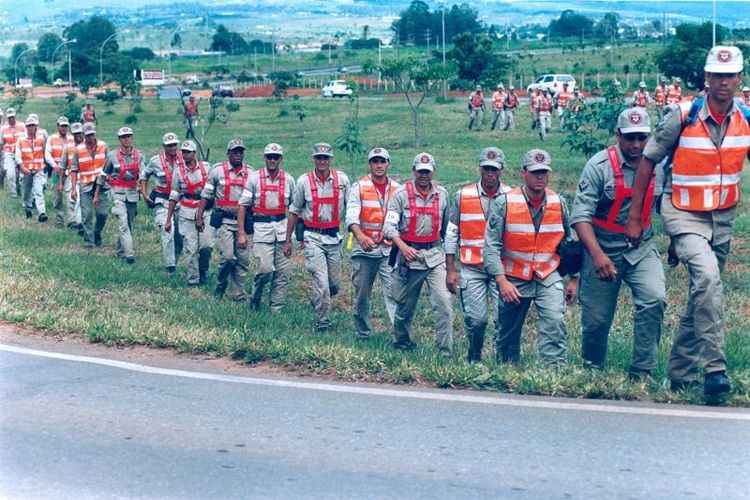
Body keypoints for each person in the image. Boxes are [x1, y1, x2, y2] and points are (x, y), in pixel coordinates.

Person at [625, 46, 750, 398]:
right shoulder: (681, 115)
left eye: (730, 75)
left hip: (723, 218)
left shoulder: (746, 118)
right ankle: (714, 371)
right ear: (705, 78)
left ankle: (679, 373)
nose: (723, 82)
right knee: (708, 279)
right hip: (683, 213)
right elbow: (648, 162)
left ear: (740, 79)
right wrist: (636, 217)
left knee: (702, 295)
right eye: (716, 75)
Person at [572, 108, 666, 379]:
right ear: (618, 136)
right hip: (602, 247)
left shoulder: (658, 165)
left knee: (654, 299)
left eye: (642, 137)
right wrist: (598, 256)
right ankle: (592, 371)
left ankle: (642, 372)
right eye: (629, 138)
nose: (636, 145)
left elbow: (670, 201)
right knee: (596, 321)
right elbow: (580, 217)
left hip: (641, 247)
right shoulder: (598, 166)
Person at [483, 149, 576, 366]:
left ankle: (553, 371)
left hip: (547, 273)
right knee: (508, 331)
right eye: (535, 172)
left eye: (544, 172)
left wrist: (574, 277)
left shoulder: (558, 202)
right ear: (524, 173)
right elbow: (491, 245)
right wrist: (501, 281)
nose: (540, 177)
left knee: (554, 320)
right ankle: (506, 368)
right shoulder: (504, 203)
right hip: (513, 276)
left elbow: (571, 243)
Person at [445, 147, 512, 362]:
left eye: (494, 169)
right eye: (486, 168)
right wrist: (450, 268)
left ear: (501, 170)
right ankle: (474, 357)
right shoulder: (463, 195)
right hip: (471, 268)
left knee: (502, 319)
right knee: (477, 320)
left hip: (501, 269)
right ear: (480, 168)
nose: (490, 173)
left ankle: (499, 359)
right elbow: (452, 232)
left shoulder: (512, 196)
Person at [383, 152, 453, 355]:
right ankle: (402, 342)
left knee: (444, 303)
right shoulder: (400, 195)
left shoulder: (442, 195)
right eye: (420, 171)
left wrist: (450, 263)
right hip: (409, 258)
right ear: (414, 171)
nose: (424, 175)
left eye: (427, 172)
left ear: (433, 172)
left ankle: (445, 351)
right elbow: (389, 227)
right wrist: (402, 247)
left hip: (434, 256)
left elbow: (448, 229)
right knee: (405, 306)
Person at [285, 143, 350, 332]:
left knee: (333, 285)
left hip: (334, 237)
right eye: (319, 157)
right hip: (313, 237)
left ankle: (318, 300)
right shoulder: (304, 181)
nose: (322, 161)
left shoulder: (342, 180)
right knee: (321, 282)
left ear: (331, 159)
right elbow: (294, 211)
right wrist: (288, 239)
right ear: (313, 159)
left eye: (325, 158)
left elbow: (352, 207)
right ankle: (322, 322)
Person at [345, 147, 400, 339]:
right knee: (362, 295)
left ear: (388, 164)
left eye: (382, 161)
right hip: (365, 249)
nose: (379, 165)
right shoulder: (358, 186)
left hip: (388, 251)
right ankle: (363, 333)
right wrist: (361, 237)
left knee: (394, 293)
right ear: (370, 164)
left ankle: (399, 336)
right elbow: (351, 217)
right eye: (375, 161)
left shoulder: (397, 189)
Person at [237, 143, 295, 310]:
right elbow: (242, 206)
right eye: (269, 157)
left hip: (283, 229)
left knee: (283, 272)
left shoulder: (289, 179)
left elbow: (295, 209)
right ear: (264, 158)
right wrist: (241, 233)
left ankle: (277, 307)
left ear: (281, 159)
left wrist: (293, 236)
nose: (272, 160)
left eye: (275, 157)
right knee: (265, 269)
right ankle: (255, 297)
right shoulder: (254, 178)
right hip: (262, 229)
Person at [196, 138, 252, 300]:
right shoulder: (217, 171)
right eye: (234, 151)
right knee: (228, 257)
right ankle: (221, 284)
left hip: (243, 222)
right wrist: (199, 216)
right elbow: (206, 195)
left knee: (242, 260)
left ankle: (237, 293)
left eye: (240, 151)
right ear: (228, 153)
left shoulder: (251, 173)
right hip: (224, 221)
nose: (237, 155)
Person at [166, 140, 213, 285]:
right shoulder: (178, 170)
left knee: (206, 246)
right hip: (186, 211)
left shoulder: (206, 168)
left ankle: (203, 270)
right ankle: (193, 279)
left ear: (195, 153)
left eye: (189, 152)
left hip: (205, 211)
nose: (186, 155)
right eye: (183, 152)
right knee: (190, 247)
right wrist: (168, 219)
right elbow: (174, 195)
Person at [140, 132, 185, 274]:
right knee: (167, 232)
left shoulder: (185, 158)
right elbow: (144, 176)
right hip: (162, 201)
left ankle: (174, 261)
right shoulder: (155, 161)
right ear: (164, 146)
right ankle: (170, 267)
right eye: (169, 146)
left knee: (180, 236)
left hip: (180, 202)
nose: (172, 148)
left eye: (174, 145)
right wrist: (144, 193)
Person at [100, 126, 144, 264]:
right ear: (119, 139)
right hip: (117, 192)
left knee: (129, 223)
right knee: (123, 223)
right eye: (123, 137)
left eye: (129, 136)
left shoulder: (140, 155)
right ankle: (129, 254)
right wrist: (98, 192)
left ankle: (120, 250)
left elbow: (143, 176)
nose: (126, 139)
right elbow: (103, 174)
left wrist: (143, 190)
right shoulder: (112, 155)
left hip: (132, 193)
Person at [70, 123, 109, 248]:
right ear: (84, 136)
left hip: (101, 186)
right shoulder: (78, 150)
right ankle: (89, 241)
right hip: (85, 185)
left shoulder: (103, 146)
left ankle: (96, 233)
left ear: (95, 134)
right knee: (86, 214)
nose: (90, 138)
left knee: (102, 214)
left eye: (92, 135)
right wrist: (73, 189)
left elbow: (109, 165)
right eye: (87, 136)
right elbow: (74, 170)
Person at [15, 114, 48, 222]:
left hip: (38, 169)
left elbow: (45, 153)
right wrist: (21, 167)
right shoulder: (21, 140)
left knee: (39, 191)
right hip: (26, 170)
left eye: (33, 125)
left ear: (36, 127)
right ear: (26, 127)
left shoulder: (41, 139)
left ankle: (42, 212)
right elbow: (17, 156)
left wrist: (46, 165)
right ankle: (27, 207)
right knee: (27, 191)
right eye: (29, 126)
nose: (31, 128)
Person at [45, 116, 76, 227]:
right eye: (61, 126)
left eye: (65, 126)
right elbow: (47, 154)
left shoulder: (72, 138)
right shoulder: (51, 138)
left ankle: (72, 220)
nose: (64, 128)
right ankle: (59, 219)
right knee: (57, 196)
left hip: (69, 171)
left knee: (70, 196)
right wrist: (54, 165)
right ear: (57, 126)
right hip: (56, 171)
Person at [1, 108, 24, 197]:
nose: (11, 119)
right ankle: (13, 193)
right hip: (8, 153)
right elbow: (1, 143)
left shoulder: (22, 126)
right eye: (9, 117)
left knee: (20, 174)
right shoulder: (3, 128)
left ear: (15, 116)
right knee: (10, 174)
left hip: (20, 152)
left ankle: (20, 190)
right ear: (7, 118)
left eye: (12, 117)